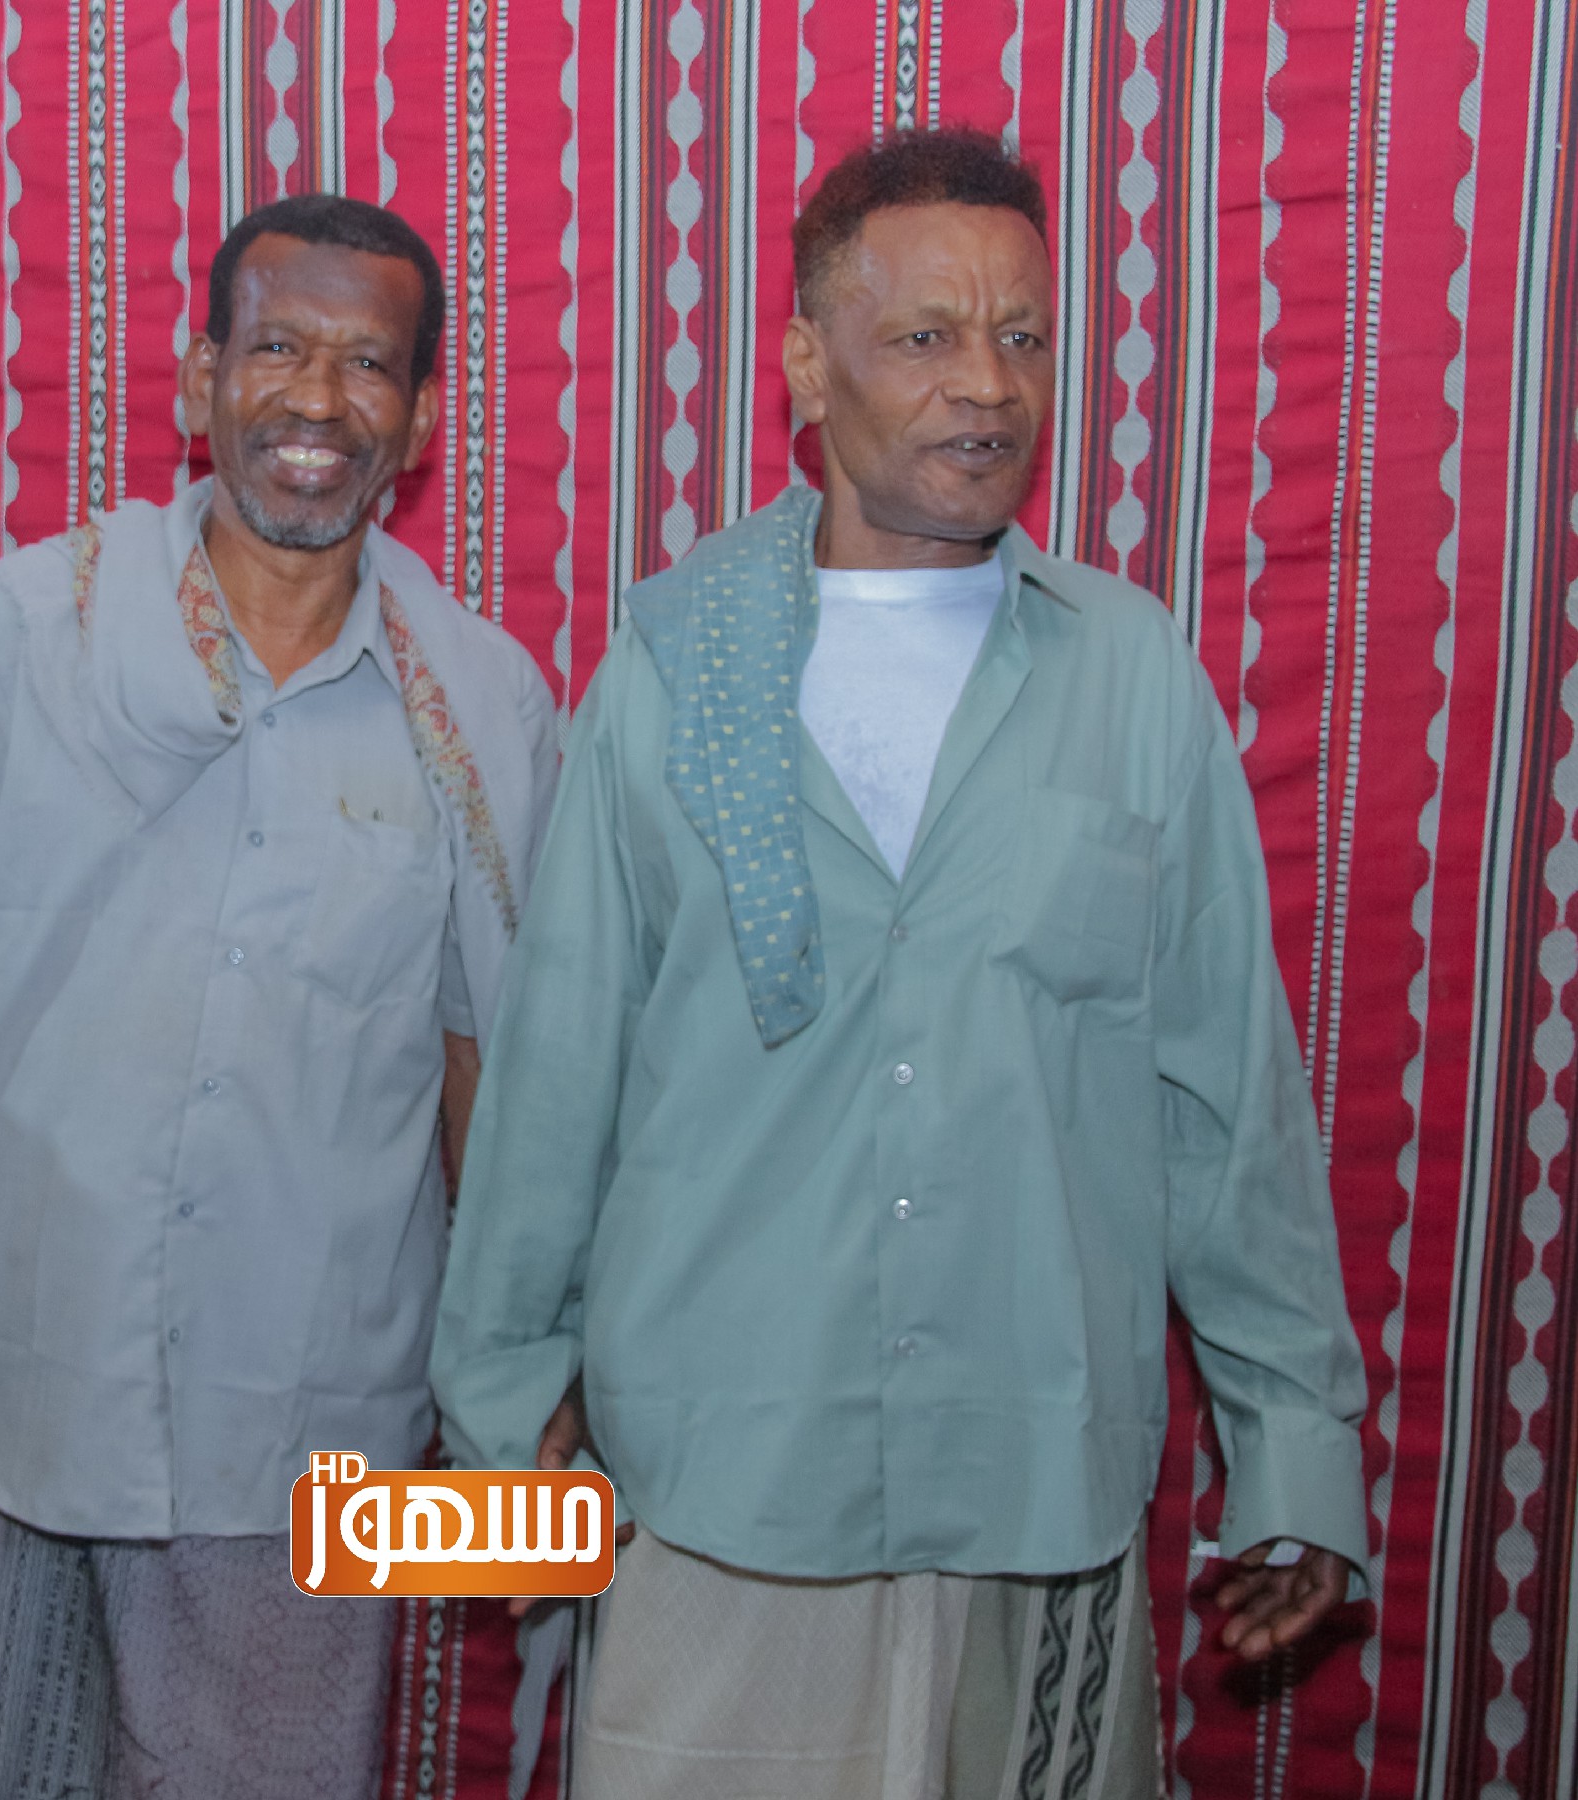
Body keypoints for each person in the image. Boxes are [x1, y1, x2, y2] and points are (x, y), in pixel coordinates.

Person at [430, 129, 1369, 1800]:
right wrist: (499, 1441)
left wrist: (1293, 1450)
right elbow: (557, 1077)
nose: (985, 385)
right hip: (719, 1489)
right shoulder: (673, 663)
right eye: (925, 335)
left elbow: (1227, 1105)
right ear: (808, 364)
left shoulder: (1128, 677)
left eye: (1021, 336)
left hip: (1035, 1497)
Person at [0, 192, 558, 1800]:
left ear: (421, 420)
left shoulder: (485, 703)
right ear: (201, 374)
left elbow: (485, 1082)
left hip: (312, 1434)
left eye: (368, 365)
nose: (316, 399)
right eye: (277, 348)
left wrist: (510, 1395)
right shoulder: (35, 624)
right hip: (22, 1392)